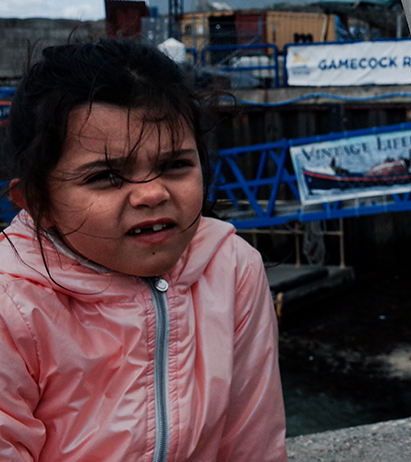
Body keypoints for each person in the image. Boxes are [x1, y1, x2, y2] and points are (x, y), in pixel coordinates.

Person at [0, 40, 287, 461]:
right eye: (106, 176)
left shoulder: (232, 268)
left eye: (175, 165)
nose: (152, 194)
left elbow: (252, 438)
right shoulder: (12, 304)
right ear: (38, 203)